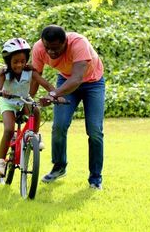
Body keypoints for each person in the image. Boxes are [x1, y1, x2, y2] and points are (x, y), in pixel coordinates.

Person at [30, 25, 105, 190]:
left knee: (94, 130)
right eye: (48, 48)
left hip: (93, 83)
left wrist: (53, 94)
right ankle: (59, 167)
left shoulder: (79, 43)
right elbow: (36, 76)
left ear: (66, 42)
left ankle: (95, 178)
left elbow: (77, 78)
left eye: (56, 48)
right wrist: (28, 100)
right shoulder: (39, 48)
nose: (51, 52)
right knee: (59, 126)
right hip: (65, 81)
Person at [0, 38, 60, 177]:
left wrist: (55, 95)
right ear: (8, 61)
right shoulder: (4, 73)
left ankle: (34, 136)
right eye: (15, 62)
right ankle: (0, 163)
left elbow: (46, 84)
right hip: (8, 103)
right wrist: (1, 92)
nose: (19, 65)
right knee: (9, 129)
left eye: (23, 61)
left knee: (35, 109)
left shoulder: (30, 72)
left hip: (23, 100)